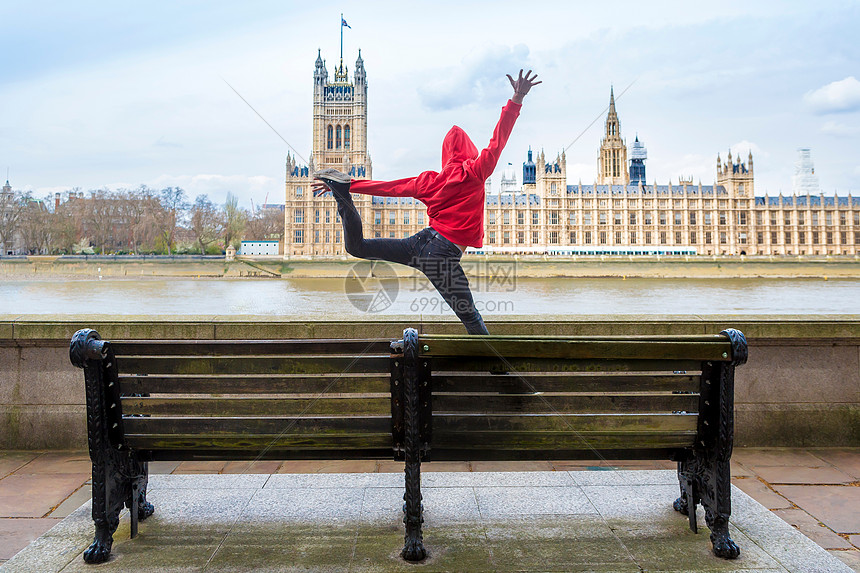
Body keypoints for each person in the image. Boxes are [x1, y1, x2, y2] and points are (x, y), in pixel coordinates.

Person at [312, 69, 541, 334]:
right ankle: (498, 373)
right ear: (469, 150)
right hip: (441, 255)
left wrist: (349, 185)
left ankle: (343, 194)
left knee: (358, 247)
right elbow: (498, 140)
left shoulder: (430, 180)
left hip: (420, 242)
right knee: (472, 319)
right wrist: (517, 98)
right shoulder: (476, 171)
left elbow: (390, 188)